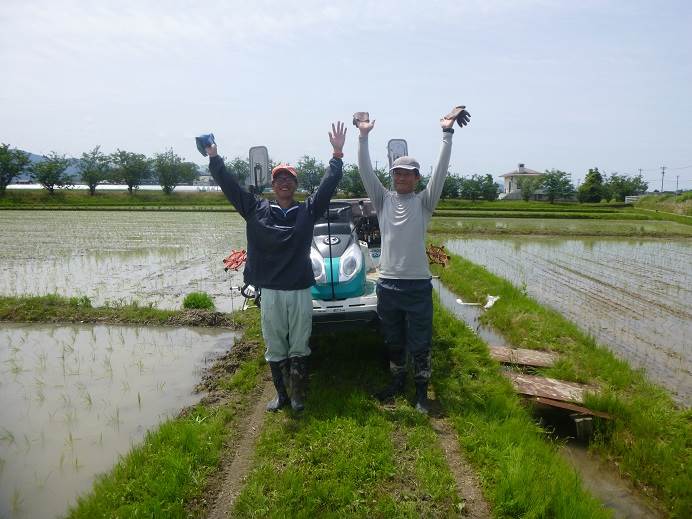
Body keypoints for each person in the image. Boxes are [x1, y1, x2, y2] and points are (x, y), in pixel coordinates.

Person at [206, 122, 346, 412]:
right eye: (279, 179)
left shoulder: (307, 210)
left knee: (299, 344)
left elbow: (328, 185)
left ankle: (297, 396)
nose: (284, 183)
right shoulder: (255, 208)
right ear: (273, 185)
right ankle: (281, 395)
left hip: (298, 289)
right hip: (269, 290)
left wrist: (336, 154)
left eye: (289, 179)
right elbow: (230, 186)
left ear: (295, 186)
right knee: (274, 344)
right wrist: (214, 158)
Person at [356, 109, 469, 414]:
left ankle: (421, 392)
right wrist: (363, 136)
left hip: (418, 285)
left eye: (408, 173)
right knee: (393, 339)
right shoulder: (383, 201)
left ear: (417, 179)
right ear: (392, 177)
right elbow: (365, 170)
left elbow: (442, 171)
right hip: (389, 284)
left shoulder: (424, 203)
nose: (401, 177)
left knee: (420, 343)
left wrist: (447, 133)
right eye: (397, 173)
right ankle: (396, 383)